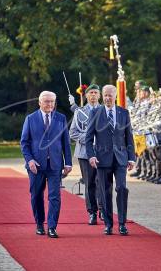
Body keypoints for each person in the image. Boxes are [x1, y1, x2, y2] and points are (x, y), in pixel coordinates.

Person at [20, 91, 72, 239]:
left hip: (55, 165)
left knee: (55, 196)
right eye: (46, 101)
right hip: (36, 165)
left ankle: (52, 227)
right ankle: (39, 224)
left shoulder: (61, 118)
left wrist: (68, 162)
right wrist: (29, 160)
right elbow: (24, 143)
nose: (50, 104)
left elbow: (65, 143)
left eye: (52, 101)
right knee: (36, 195)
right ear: (39, 102)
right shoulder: (30, 119)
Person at [85, 85, 136, 235]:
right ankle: (108, 224)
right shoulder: (95, 113)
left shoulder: (123, 113)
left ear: (115, 96)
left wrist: (131, 157)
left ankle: (122, 223)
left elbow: (129, 137)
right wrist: (91, 155)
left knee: (121, 188)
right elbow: (88, 139)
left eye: (110, 95)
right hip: (102, 159)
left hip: (120, 158)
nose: (107, 98)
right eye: (105, 95)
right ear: (102, 96)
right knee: (105, 191)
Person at [69, 84, 103, 225]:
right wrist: (89, 138)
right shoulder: (80, 112)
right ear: (86, 96)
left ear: (99, 95)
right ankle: (92, 212)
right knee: (89, 183)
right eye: (91, 93)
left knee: (102, 182)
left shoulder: (104, 111)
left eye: (96, 92)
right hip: (85, 153)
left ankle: (103, 209)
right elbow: (73, 132)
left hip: (102, 152)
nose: (93, 95)